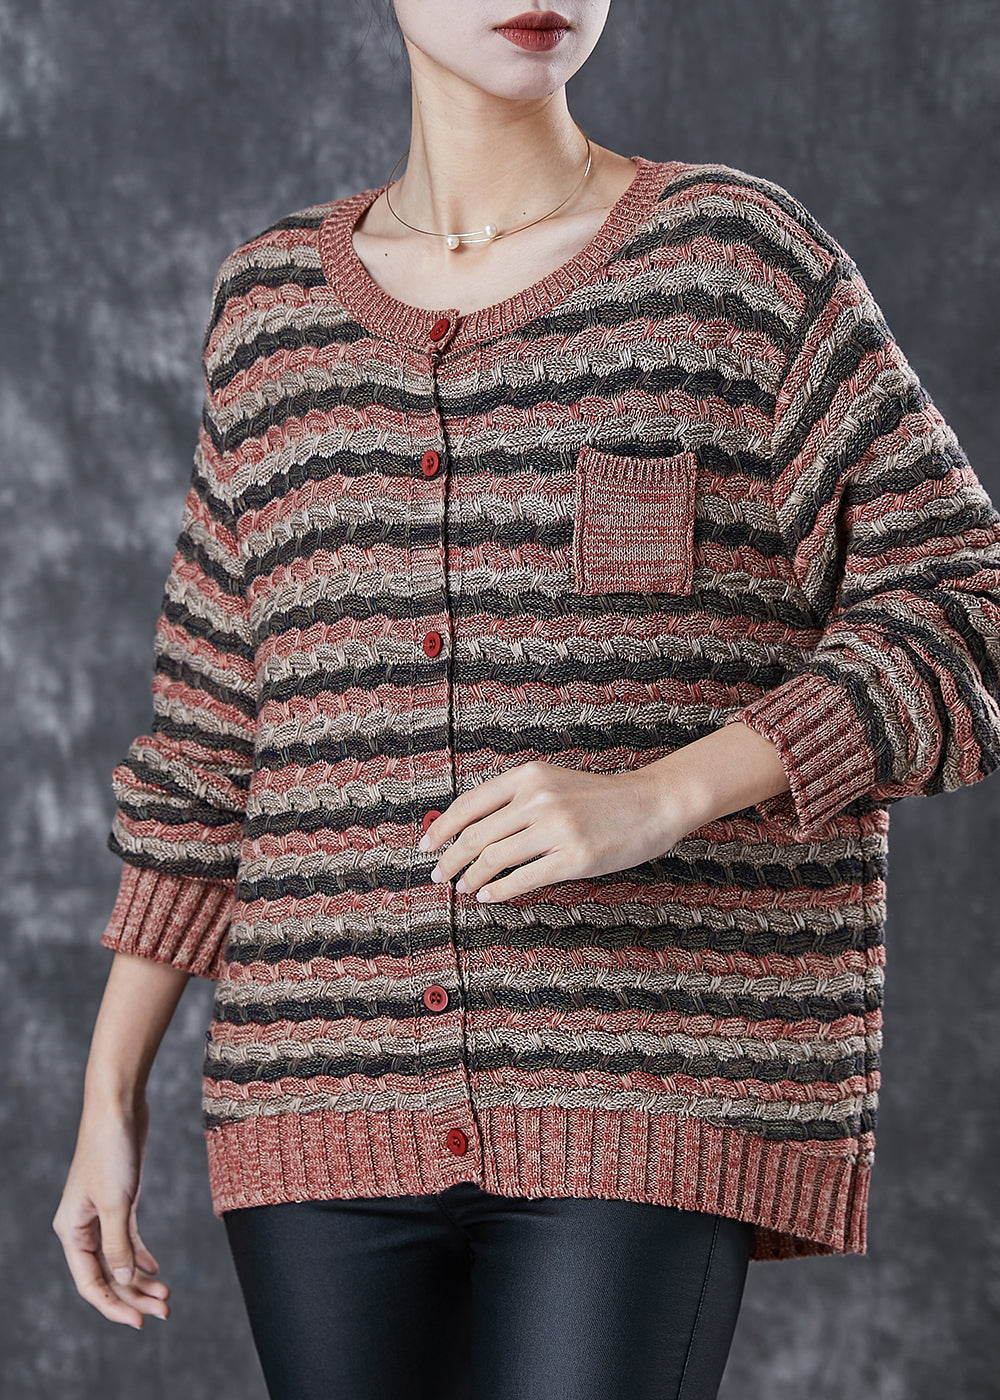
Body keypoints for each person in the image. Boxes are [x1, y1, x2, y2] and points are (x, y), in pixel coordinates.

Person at [53, 2, 1000, 1398]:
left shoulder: (735, 263)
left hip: (646, 1079)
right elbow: (210, 740)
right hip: (318, 1093)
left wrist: (663, 795)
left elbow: (965, 608)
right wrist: (110, 1093)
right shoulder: (270, 314)